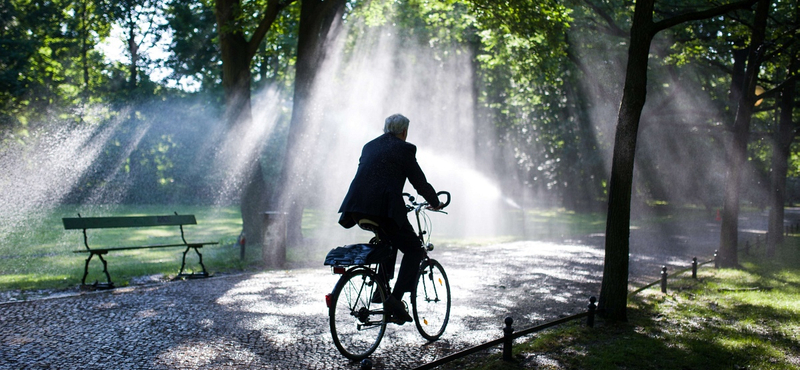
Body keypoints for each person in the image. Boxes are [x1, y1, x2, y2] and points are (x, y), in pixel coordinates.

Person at [338, 113, 443, 324]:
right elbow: (419, 182)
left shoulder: (369, 146)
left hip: (356, 208)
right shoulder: (405, 148)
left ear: (386, 129)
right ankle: (394, 300)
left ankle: (380, 290)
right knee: (414, 250)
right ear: (404, 132)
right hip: (384, 210)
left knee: (390, 240)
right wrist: (435, 201)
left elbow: (371, 176)